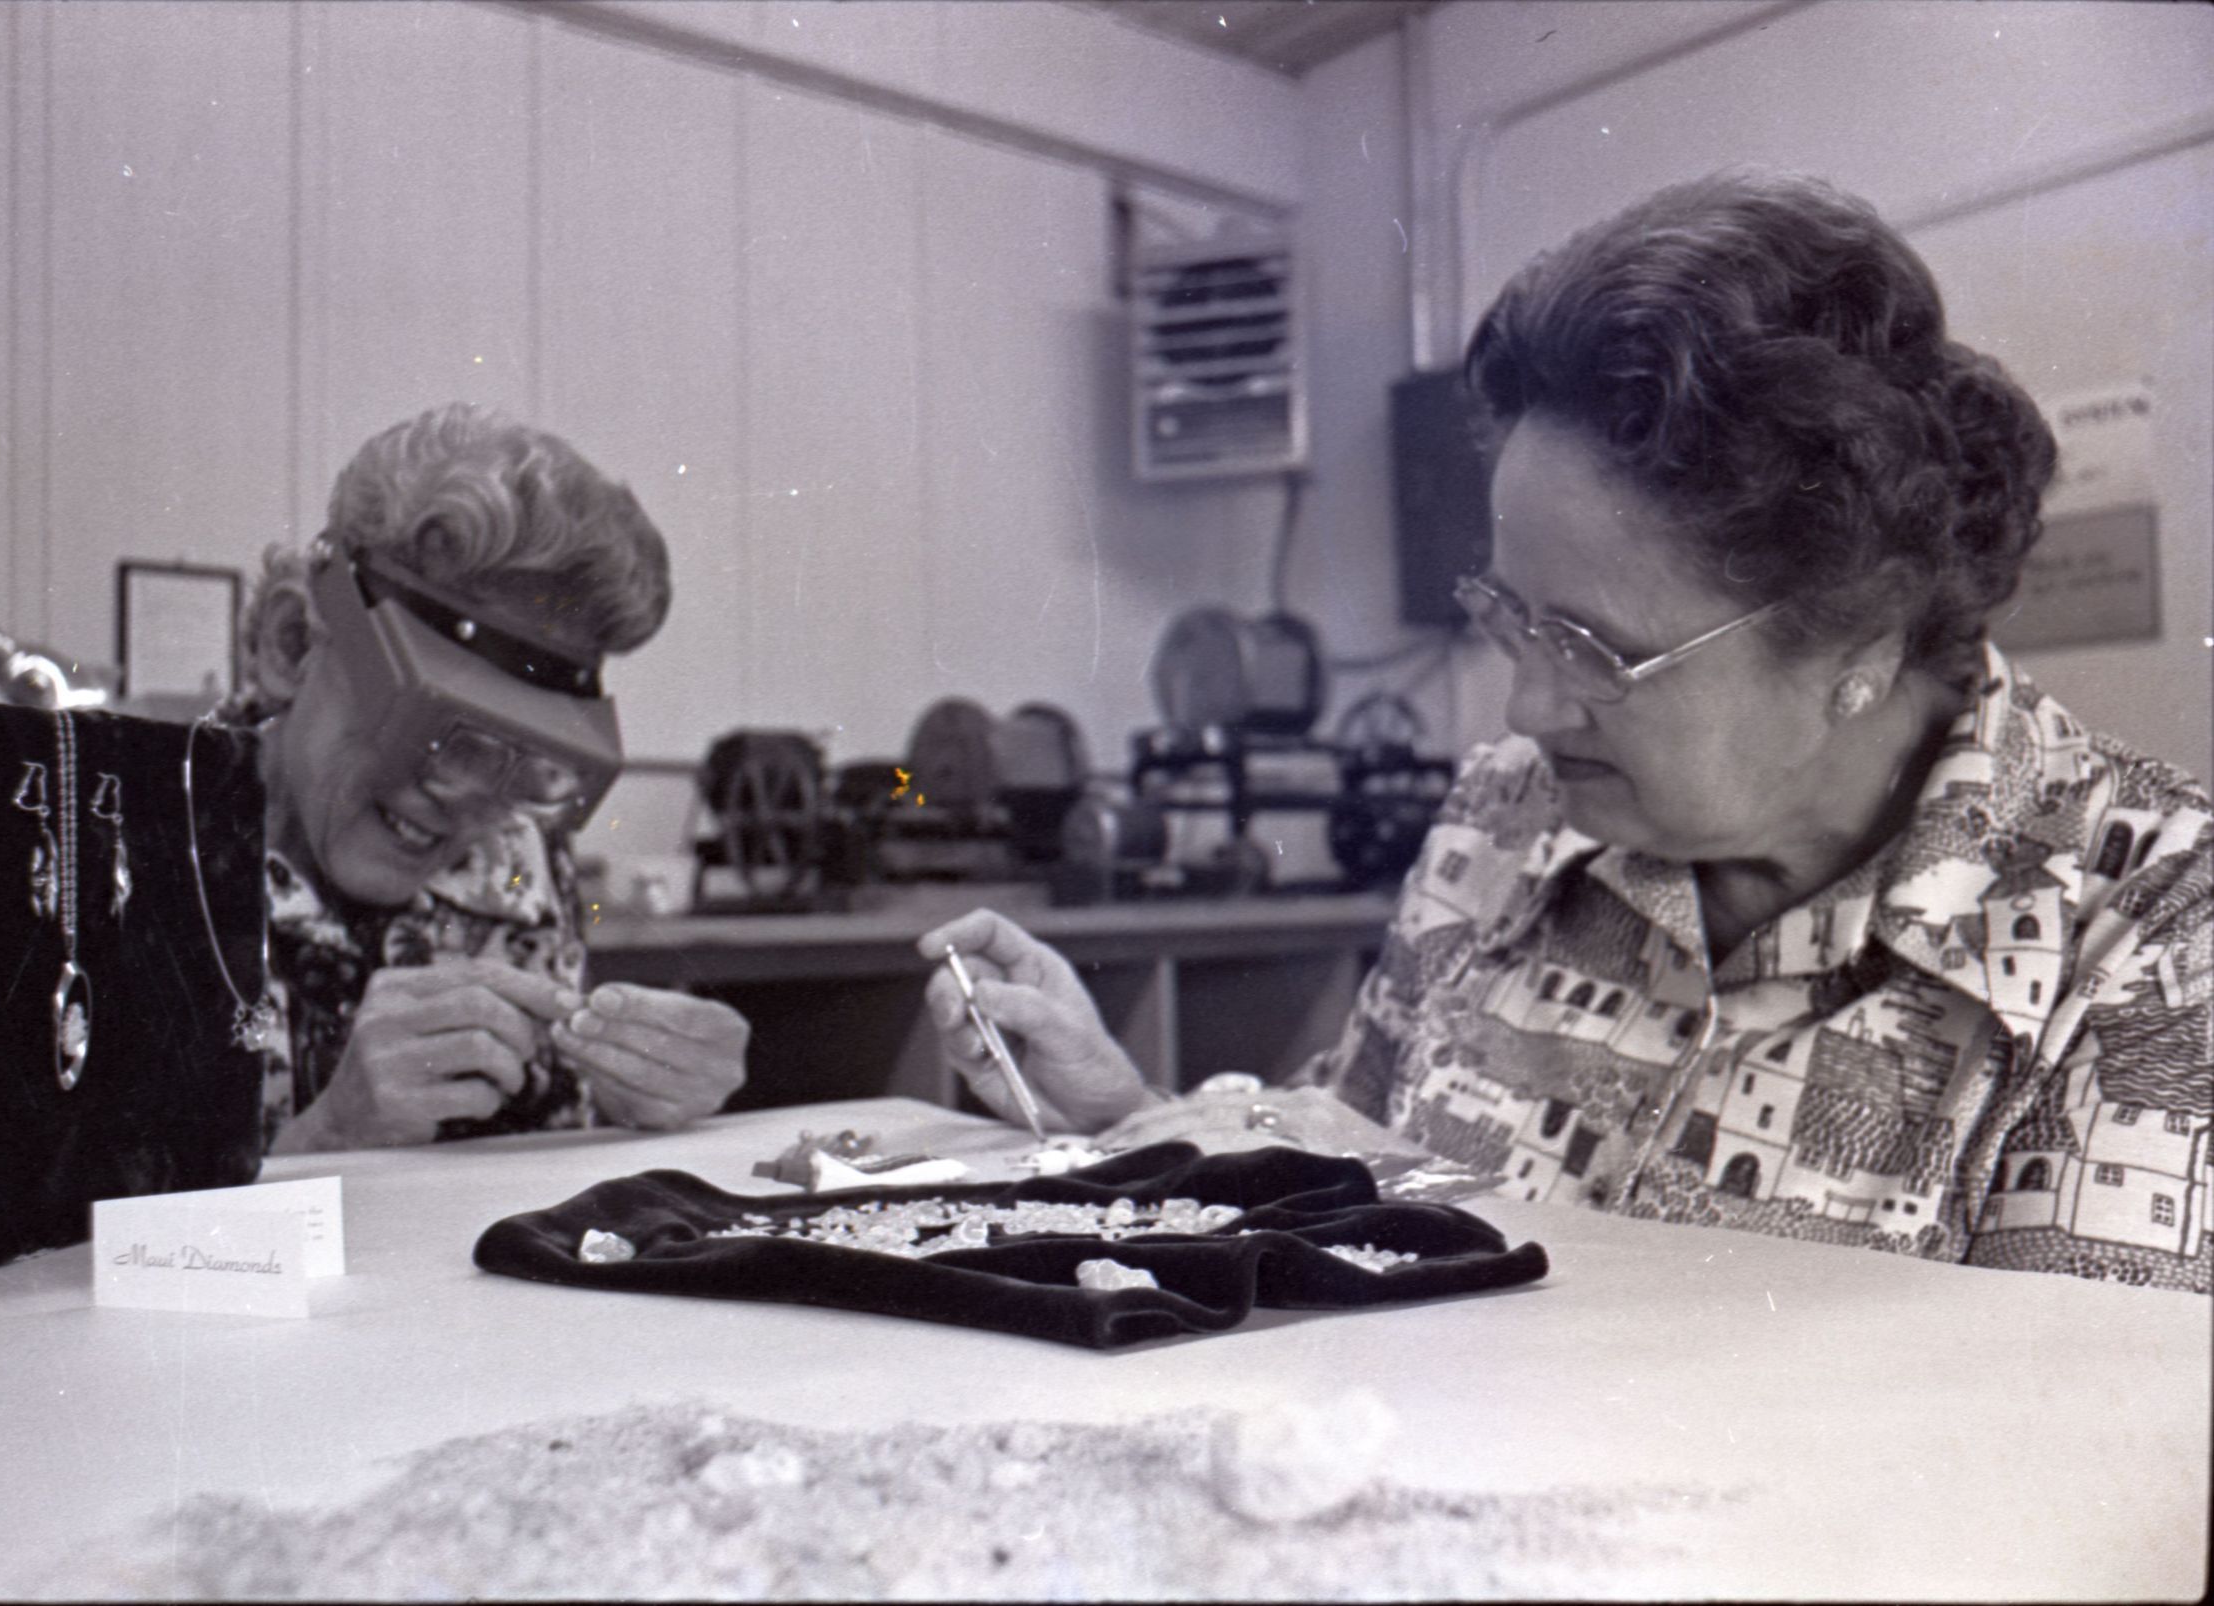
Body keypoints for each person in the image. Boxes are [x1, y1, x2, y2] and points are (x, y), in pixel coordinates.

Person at [920, 170, 2211, 1291]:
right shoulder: (1507, 815)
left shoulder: (2151, 938)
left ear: (1855, 649)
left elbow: (2067, 1451)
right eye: (1509, 618)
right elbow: (1352, 1171)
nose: (1524, 710)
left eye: (1593, 649)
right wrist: (1130, 1115)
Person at [231, 403, 747, 1154]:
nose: (469, 798)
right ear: (292, 646)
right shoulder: (116, 855)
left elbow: (544, 1158)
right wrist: (327, 1139)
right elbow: (77, 1221)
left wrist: (648, 1095)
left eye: (525, 761)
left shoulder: (516, 853)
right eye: (442, 734)